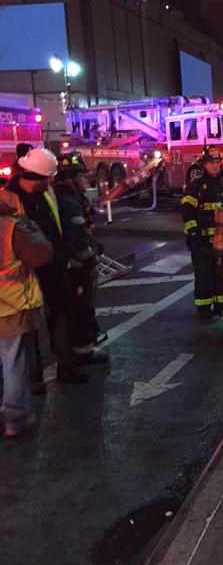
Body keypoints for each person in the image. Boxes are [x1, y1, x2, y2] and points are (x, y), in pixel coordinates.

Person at [3, 148, 88, 384]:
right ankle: (34, 378)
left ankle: (66, 367)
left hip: (54, 265)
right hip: (27, 272)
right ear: (42, 177)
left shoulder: (46, 193)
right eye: (50, 176)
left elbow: (56, 227)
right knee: (28, 330)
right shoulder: (10, 198)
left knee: (61, 315)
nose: (53, 180)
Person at [0, 194, 53, 436]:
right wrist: (34, 230)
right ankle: (15, 419)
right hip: (10, 308)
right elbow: (42, 254)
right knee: (15, 363)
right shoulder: (11, 227)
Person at [54, 155, 107, 364]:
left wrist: (94, 246)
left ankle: (82, 350)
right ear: (70, 179)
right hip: (76, 268)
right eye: (82, 177)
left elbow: (83, 233)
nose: (86, 181)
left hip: (74, 266)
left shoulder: (68, 198)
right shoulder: (69, 202)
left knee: (80, 310)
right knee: (80, 310)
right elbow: (76, 236)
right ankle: (81, 354)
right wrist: (90, 261)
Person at [181, 146, 223, 318]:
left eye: (217, 162)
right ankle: (204, 308)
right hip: (201, 240)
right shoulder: (197, 186)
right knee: (204, 275)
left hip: (222, 240)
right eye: (211, 162)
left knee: (221, 275)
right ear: (204, 164)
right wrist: (193, 233)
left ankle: (220, 305)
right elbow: (187, 210)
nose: (215, 165)